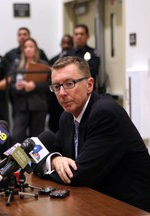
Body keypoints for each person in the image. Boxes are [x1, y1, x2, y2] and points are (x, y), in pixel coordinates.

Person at [33, 56, 150, 212]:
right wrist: (54, 158)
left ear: (89, 85)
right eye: (56, 86)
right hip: (96, 198)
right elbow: (49, 151)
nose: (62, 93)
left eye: (69, 84)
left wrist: (49, 161)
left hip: (129, 207)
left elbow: (77, 175)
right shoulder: (67, 117)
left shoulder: (105, 114)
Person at [9, 38, 49, 144]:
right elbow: (11, 83)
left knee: (36, 137)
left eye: (31, 47)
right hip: (21, 105)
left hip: (38, 105)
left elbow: (49, 85)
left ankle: (36, 161)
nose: (28, 49)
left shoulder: (43, 65)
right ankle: (18, 160)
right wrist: (18, 87)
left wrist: (34, 85)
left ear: (36, 49)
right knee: (17, 135)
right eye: (26, 47)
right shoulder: (17, 65)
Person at [48, 35, 74, 133]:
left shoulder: (77, 60)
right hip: (55, 103)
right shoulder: (53, 60)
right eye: (64, 43)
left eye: (68, 43)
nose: (66, 46)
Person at [67, 24, 100, 91]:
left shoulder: (93, 53)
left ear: (87, 36)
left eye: (82, 34)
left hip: (88, 89)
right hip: (71, 90)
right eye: (76, 34)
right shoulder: (68, 53)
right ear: (73, 37)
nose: (79, 36)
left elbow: (93, 71)